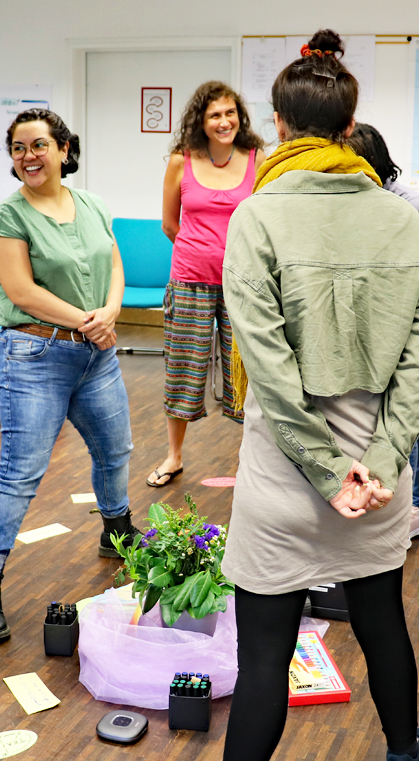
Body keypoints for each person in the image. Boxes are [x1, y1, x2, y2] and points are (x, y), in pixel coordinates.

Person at [192, 30, 419, 761]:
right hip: (377, 470)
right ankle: (404, 759)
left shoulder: (257, 216)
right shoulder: (401, 217)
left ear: (277, 121)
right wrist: (383, 457)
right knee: (382, 624)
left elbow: (267, 368)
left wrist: (326, 472)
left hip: (284, 474)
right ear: (348, 128)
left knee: (265, 655)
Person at [0, 108, 141, 643]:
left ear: (64, 149)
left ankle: (117, 532)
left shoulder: (90, 204)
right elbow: (21, 292)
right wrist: (92, 324)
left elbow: (114, 267)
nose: (28, 157)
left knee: (116, 451)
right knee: (20, 476)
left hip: (95, 356)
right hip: (34, 358)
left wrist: (109, 313)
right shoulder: (7, 217)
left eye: (39, 145)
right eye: (18, 149)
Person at [147, 82, 266, 488]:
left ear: (240, 117)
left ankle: (250, 461)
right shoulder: (182, 161)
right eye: (215, 114)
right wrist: (202, 249)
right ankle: (174, 456)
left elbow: (264, 222)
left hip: (242, 283)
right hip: (190, 280)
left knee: (246, 373)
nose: (224, 121)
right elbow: (169, 224)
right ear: (201, 120)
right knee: (184, 368)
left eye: (230, 113)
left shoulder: (257, 158)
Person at [348, 123, 419, 538]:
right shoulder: (363, 201)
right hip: (386, 322)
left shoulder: (411, 206)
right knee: (391, 410)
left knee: (411, 410)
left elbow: (416, 288)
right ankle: (398, 497)